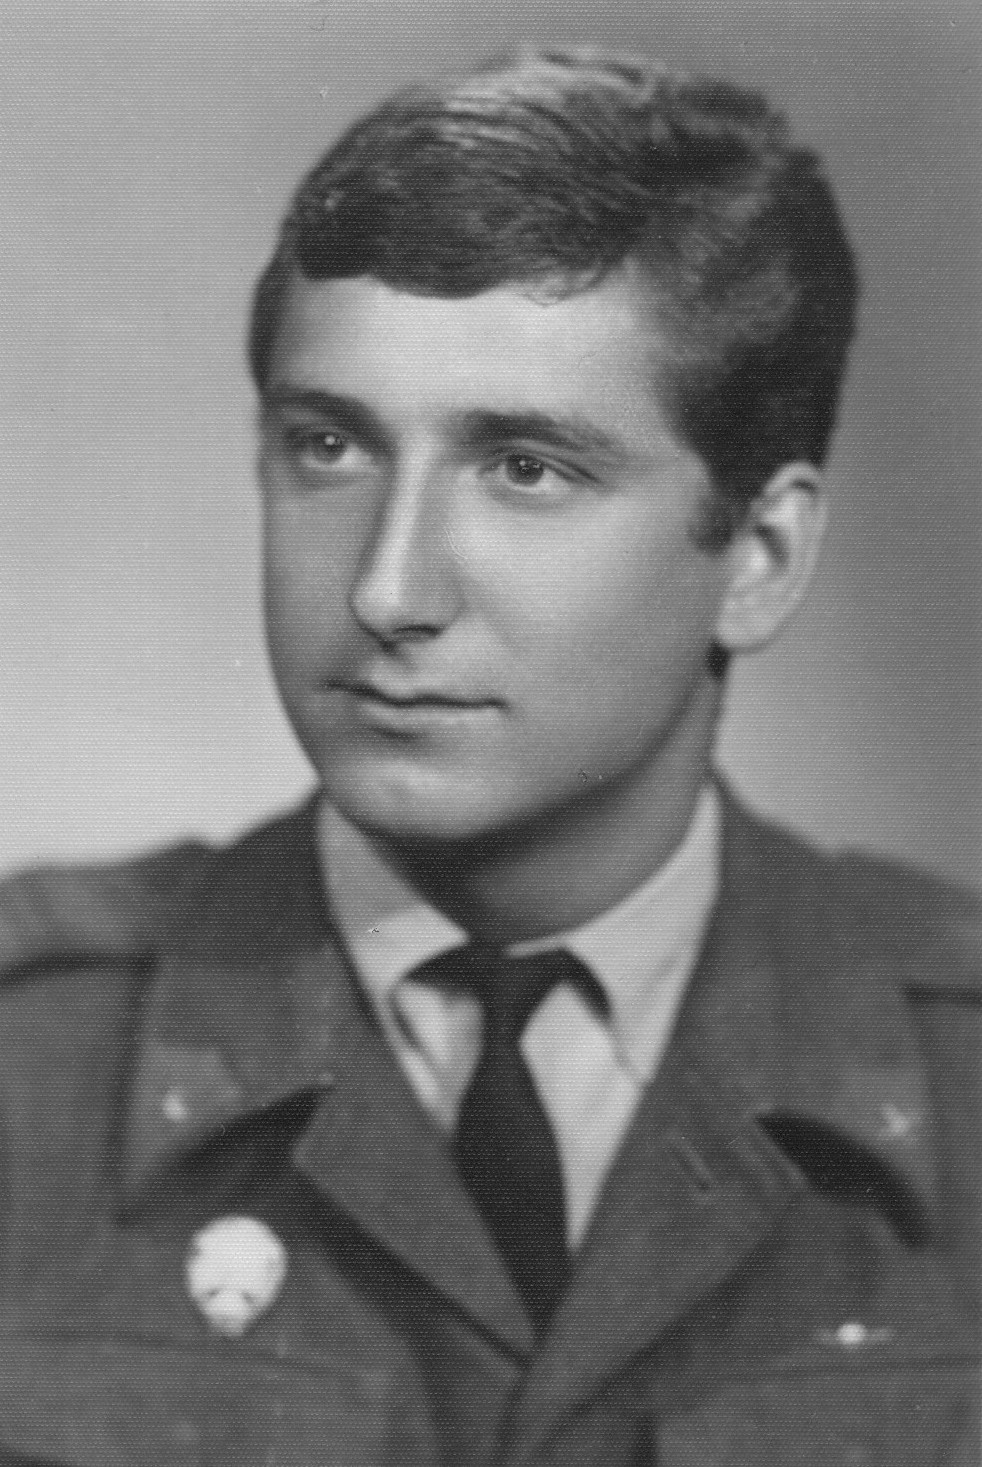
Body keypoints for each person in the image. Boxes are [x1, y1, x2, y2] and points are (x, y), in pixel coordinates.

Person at [0, 48, 977, 1467]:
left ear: (759, 557)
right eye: (329, 446)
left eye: (526, 468)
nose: (387, 590)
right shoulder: (30, 1061)